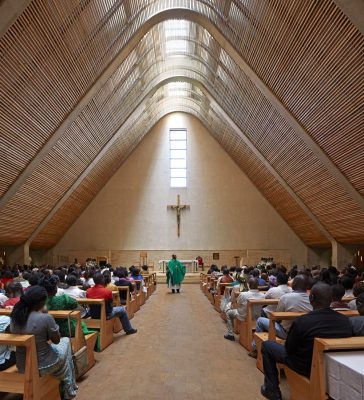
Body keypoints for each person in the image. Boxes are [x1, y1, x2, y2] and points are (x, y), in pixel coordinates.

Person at [260, 283, 352, 400]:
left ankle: (272, 390)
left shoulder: (303, 321)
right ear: (331, 299)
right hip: (332, 368)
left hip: (304, 366)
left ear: (311, 298)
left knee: (267, 346)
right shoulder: (344, 321)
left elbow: (289, 348)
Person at [10, 286, 77, 399]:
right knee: (66, 342)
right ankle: (69, 388)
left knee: (62, 356)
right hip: (44, 365)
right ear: (41, 302)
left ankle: (66, 381)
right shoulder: (45, 318)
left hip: (22, 365)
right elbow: (56, 340)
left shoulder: (15, 317)